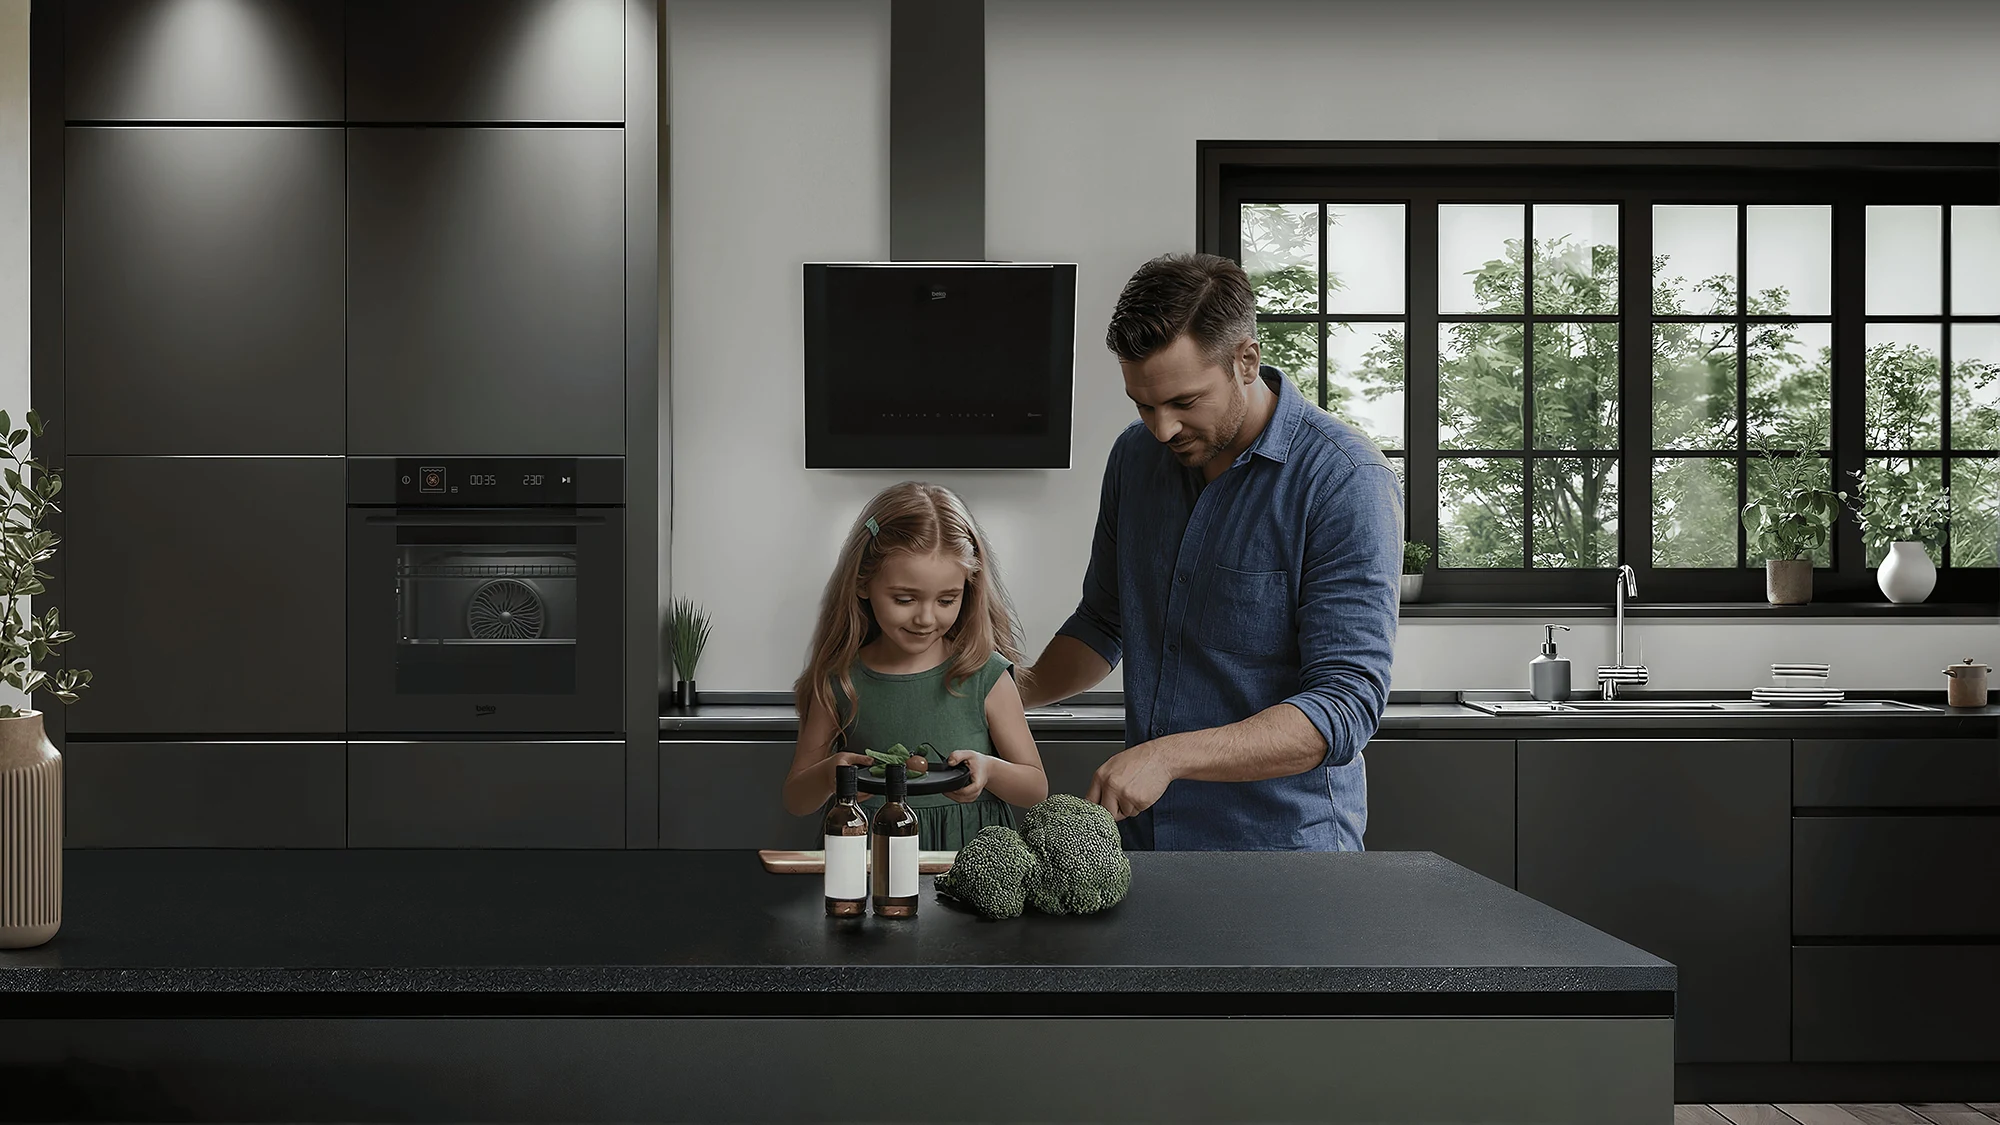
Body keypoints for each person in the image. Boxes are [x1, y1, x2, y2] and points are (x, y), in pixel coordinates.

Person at [1015, 252, 1402, 852]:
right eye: (1144, 405)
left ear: (1246, 360)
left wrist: (1168, 757)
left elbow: (1344, 704)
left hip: (1283, 850)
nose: (1162, 429)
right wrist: (1009, 694)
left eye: (1185, 402)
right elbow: (1104, 620)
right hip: (1147, 843)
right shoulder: (1134, 459)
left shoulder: (1344, 480)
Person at [783, 481, 1049, 849]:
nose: (925, 618)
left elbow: (1035, 787)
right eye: (905, 598)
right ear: (863, 583)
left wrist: (989, 771)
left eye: (946, 600)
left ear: (967, 591)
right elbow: (796, 799)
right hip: (869, 862)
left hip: (969, 861)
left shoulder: (984, 675)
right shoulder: (840, 681)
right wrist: (833, 774)